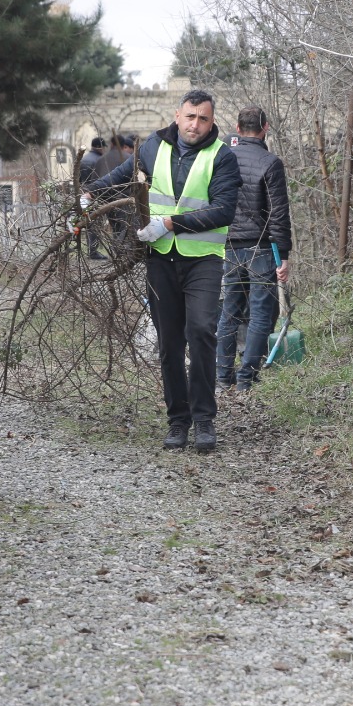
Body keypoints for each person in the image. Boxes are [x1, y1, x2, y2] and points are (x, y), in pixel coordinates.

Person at [85, 90, 241, 453]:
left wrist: (169, 223)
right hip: (160, 260)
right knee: (169, 342)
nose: (195, 125)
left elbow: (223, 210)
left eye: (203, 118)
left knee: (201, 333)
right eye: (190, 116)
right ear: (177, 115)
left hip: (203, 259)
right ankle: (178, 420)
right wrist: (88, 195)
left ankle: (204, 419)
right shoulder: (154, 146)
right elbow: (119, 178)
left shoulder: (222, 157)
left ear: (211, 121)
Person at [215, 106, 294, 394]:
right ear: (266, 127)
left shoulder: (222, 158)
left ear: (238, 128)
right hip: (260, 247)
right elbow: (278, 214)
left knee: (230, 311)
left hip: (229, 246)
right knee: (261, 313)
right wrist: (283, 256)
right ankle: (246, 378)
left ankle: (222, 377)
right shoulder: (271, 163)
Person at [77, 136, 106, 257]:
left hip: (82, 193)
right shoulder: (100, 160)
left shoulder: (83, 159)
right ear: (99, 147)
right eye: (104, 147)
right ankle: (93, 251)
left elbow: (78, 179)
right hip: (94, 194)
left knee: (83, 222)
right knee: (95, 222)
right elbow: (102, 179)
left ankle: (79, 249)